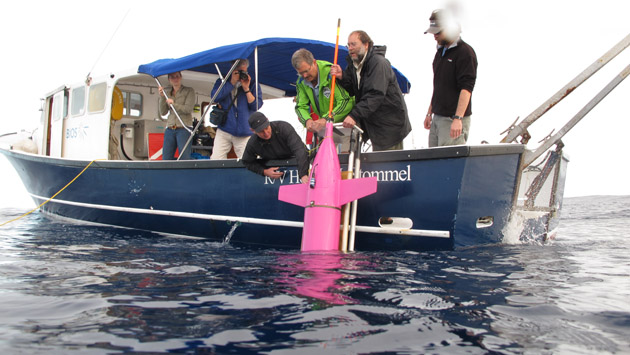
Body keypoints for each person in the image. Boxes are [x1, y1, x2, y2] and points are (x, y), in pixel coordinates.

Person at [330, 30, 411, 151]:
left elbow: (375, 94)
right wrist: (342, 76)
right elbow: (353, 90)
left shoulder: (378, 63)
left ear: (366, 44)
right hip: (374, 124)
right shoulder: (354, 65)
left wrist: (354, 115)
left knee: (389, 165)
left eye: (354, 44)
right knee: (378, 163)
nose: (350, 48)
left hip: (390, 124)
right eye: (348, 45)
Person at [423, 9, 478, 147]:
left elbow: (466, 88)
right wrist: (430, 113)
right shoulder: (440, 52)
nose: (434, 36)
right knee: (433, 160)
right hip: (437, 117)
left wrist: (458, 118)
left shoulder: (465, 53)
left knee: (448, 163)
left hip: (452, 119)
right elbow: (439, 85)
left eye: (438, 32)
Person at [292, 48, 354, 149]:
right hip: (325, 130)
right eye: (301, 73)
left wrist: (326, 119)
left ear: (314, 62)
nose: (304, 75)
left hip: (345, 125)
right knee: (323, 161)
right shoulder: (301, 82)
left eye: (307, 71)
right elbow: (300, 106)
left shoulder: (331, 73)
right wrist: (307, 121)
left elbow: (346, 101)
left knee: (345, 160)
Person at [210, 59, 264, 160]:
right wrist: (231, 83)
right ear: (232, 70)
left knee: (248, 162)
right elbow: (214, 98)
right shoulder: (222, 81)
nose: (241, 75)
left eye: (244, 72)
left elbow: (256, 106)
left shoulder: (253, 84)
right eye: (239, 72)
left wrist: (246, 88)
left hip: (244, 131)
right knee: (216, 159)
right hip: (225, 129)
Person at [241, 112, 309, 184]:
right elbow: (247, 161)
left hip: (299, 161)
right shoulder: (253, 142)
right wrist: (264, 171)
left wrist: (303, 174)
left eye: (266, 128)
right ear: (253, 131)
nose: (266, 133)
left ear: (268, 120)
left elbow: (300, 150)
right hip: (275, 171)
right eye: (261, 131)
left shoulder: (284, 128)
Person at [158, 71, 196, 160]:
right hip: (170, 128)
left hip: (184, 128)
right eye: (172, 77)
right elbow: (163, 112)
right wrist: (162, 97)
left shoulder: (189, 91)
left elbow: (188, 109)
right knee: (166, 158)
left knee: (184, 157)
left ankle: (185, 173)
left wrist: (174, 104)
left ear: (181, 77)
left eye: (177, 76)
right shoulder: (167, 93)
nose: (175, 79)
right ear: (169, 79)